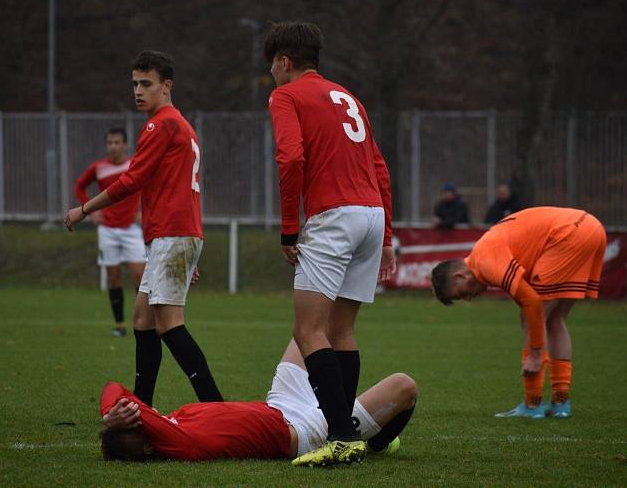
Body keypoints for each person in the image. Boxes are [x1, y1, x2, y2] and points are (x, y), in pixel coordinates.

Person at [263, 21, 396, 466]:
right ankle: (349, 427)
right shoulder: (349, 98)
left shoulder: (286, 95)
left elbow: (291, 156)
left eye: (273, 69)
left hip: (334, 215)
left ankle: (340, 436)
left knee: (308, 330)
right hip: (371, 215)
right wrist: (389, 236)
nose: (273, 78)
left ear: (284, 62)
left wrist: (288, 227)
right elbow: (379, 166)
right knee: (341, 329)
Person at [65, 50, 223, 406]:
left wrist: (85, 209)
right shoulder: (178, 123)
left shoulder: (161, 123)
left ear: (166, 87)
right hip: (173, 234)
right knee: (142, 318)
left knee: (169, 324)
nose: (138, 90)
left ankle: (215, 407)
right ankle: (143, 403)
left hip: (172, 233)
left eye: (146, 84)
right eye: (135, 83)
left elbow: (132, 179)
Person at [98, 339, 417, 464]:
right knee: (404, 387)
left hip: (280, 405)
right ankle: (376, 443)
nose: (140, 413)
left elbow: (113, 387)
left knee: (311, 330)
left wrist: (109, 414)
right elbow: (132, 402)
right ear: (149, 446)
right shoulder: (178, 444)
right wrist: (118, 416)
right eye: (137, 422)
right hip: (305, 433)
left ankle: (367, 433)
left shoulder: (169, 424)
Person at [430, 207, 606, 418]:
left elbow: (531, 301)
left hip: (568, 234)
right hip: (591, 227)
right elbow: (526, 297)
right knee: (555, 319)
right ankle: (560, 403)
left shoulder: (484, 260)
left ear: (459, 276)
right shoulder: (486, 253)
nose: (468, 299)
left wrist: (535, 353)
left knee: (532, 315)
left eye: (461, 294)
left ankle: (533, 405)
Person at [75, 128, 146, 337]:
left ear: (125, 145)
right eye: (110, 143)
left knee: (139, 276)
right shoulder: (99, 168)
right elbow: (80, 186)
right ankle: (120, 325)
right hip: (107, 230)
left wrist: (143, 211)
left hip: (132, 229)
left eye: (117, 142)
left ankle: (143, 322)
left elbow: (150, 186)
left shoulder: (135, 165)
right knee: (113, 277)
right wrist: (90, 211)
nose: (113, 146)